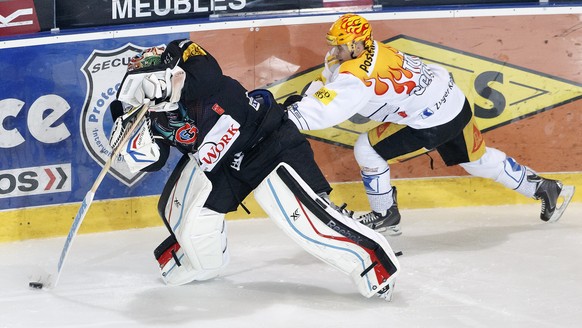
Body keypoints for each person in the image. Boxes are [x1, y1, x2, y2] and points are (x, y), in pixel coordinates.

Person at [108, 39, 400, 300]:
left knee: (310, 224)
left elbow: (209, 71)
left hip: (270, 143)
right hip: (225, 166)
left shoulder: (185, 59)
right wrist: (128, 142)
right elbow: (155, 160)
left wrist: (173, 91)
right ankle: (203, 263)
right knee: (181, 213)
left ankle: (377, 267)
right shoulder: (151, 119)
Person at [284, 13, 575, 236]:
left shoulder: (357, 74)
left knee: (367, 149)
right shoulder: (370, 50)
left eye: (340, 47)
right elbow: (330, 80)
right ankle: (544, 188)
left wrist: (296, 115)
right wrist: (309, 95)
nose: (335, 52)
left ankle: (385, 215)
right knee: (478, 160)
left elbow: (331, 108)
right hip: (453, 102)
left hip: (431, 119)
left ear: (356, 44)